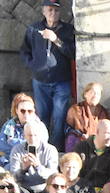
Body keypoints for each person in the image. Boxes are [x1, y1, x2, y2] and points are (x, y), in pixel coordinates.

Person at [21, 1, 75, 146]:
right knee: (42, 116)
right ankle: (40, 146)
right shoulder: (34, 29)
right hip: (40, 81)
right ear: (43, 11)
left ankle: (56, 149)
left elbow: (73, 53)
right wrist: (33, 66)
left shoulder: (68, 30)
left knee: (59, 117)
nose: (53, 13)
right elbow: (25, 50)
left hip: (61, 81)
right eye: (50, 10)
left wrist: (55, 39)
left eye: (56, 10)